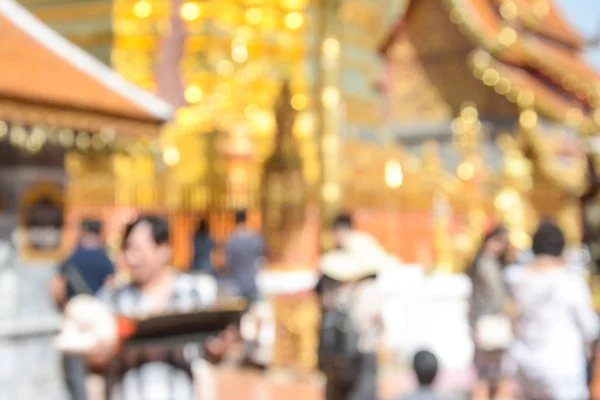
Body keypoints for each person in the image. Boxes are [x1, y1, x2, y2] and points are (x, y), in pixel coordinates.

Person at [89, 216, 216, 400]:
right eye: (127, 249)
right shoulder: (113, 297)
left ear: (164, 249)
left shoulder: (195, 293)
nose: (130, 258)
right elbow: (93, 358)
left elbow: (212, 350)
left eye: (138, 250)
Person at [507, 221, 599, 400]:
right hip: (563, 367)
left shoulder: (517, 280)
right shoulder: (571, 282)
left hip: (526, 364)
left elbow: (513, 320)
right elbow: (589, 327)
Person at [49, 219, 115, 400]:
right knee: (97, 377)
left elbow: (56, 287)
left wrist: (66, 307)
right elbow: (111, 287)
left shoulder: (71, 257)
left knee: (75, 379)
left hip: (74, 322)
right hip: (97, 323)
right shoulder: (104, 258)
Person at [319, 232, 385, 400]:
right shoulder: (369, 291)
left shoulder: (334, 289)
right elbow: (373, 324)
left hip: (336, 360)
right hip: (361, 357)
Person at [467, 226, 513, 400]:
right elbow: (498, 297)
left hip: (485, 323)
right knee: (493, 377)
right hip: (490, 323)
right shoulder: (486, 263)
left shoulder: (486, 262)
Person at [224, 210, 265, 303]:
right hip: (252, 281)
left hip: (237, 282)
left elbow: (229, 263)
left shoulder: (232, 239)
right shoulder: (255, 237)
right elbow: (261, 257)